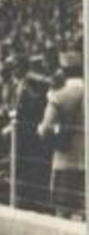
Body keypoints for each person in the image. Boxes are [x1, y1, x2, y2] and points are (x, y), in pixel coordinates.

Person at [38, 56, 84, 219]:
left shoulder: (61, 94)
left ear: (64, 71)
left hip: (67, 159)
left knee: (63, 210)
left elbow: (45, 128)